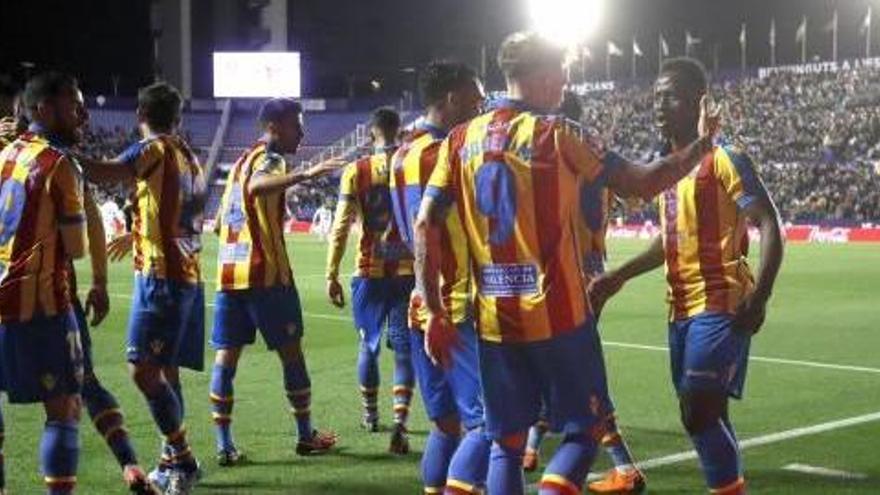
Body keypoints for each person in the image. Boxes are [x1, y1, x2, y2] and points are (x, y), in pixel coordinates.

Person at [414, 31, 720, 495]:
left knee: (508, 442)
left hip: (495, 321)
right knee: (584, 429)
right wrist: (702, 145)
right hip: (560, 316)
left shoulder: (459, 140)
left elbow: (425, 223)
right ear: (539, 76)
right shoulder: (560, 134)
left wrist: (434, 309)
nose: (565, 82)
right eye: (561, 72)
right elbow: (642, 182)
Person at [589, 57, 784, 495]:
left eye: (670, 96)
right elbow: (667, 242)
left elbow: (769, 223)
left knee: (698, 412)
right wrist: (619, 275)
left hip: (722, 302)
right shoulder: (667, 171)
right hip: (679, 310)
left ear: (699, 103)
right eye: (656, 96)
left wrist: (761, 296)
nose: (659, 105)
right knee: (703, 413)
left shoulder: (724, 158)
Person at [80, 81, 206, 495]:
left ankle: (184, 461)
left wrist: (53, 149)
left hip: (162, 278)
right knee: (166, 372)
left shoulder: (152, 150)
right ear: (178, 117)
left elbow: (103, 171)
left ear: (140, 117)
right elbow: (169, 210)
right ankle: (172, 464)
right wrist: (136, 231)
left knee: (141, 369)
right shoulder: (191, 158)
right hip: (188, 276)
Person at [523, 98, 647, 493]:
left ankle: (624, 466)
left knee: (571, 374)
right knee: (556, 370)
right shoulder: (594, 153)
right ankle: (530, 445)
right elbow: (635, 196)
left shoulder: (553, 152)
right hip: (593, 270)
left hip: (564, 276)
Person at [210, 98, 340, 465]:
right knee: (291, 354)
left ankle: (224, 445)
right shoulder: (271, 158)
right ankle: (304, 436)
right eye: (296, 125)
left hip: (229, 275)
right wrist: (306, 175)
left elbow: (220, 223)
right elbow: (257, 187)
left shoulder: (238, 162)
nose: (302, 133)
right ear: (274, 127)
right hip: (266, 275)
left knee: (226, 359)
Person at [388, 60, 491, 494]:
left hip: (421, 304)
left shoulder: (399, 154)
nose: (481, 105)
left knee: (447, 426)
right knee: (489, 422)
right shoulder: (450, 151)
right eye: (475, 96)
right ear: (452, 98)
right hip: (456, 306)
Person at [0, 71, 89, 494]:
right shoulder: (59, 165)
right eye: (74, 106)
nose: (82, 115)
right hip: (40, 306)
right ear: (44, 109)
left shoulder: (4, 155)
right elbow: (76, 248)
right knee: (63, 410)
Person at [325, 107, 416, 454]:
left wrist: (332, 272)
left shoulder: (356, 170)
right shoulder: (413, 162)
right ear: (400, 130)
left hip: (370, 269)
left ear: (370, 133)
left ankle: (370, 416)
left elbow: (341, 226)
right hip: (408, 269)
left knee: (369, 345)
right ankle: (401, 423)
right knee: (406, 350)